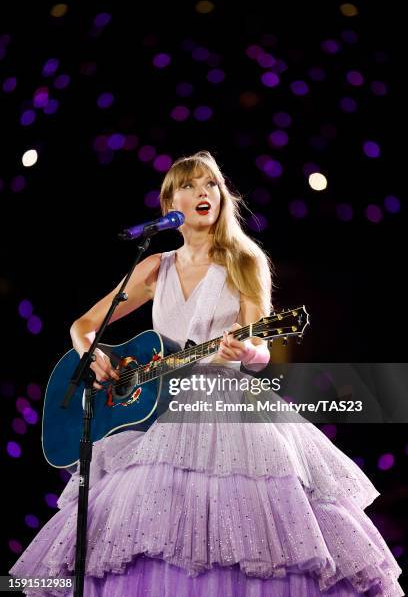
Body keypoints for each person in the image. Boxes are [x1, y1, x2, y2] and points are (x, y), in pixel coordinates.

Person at [9, 151, 404, 595]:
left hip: (224, 404)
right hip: (158, 411)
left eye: (211, 184)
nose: (204, 192)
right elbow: (83, 327)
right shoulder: (153, 267)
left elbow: (260, 349)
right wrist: (94, 355)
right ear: (169, 204)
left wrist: (244, 351)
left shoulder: (244, 260)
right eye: (191, 185)